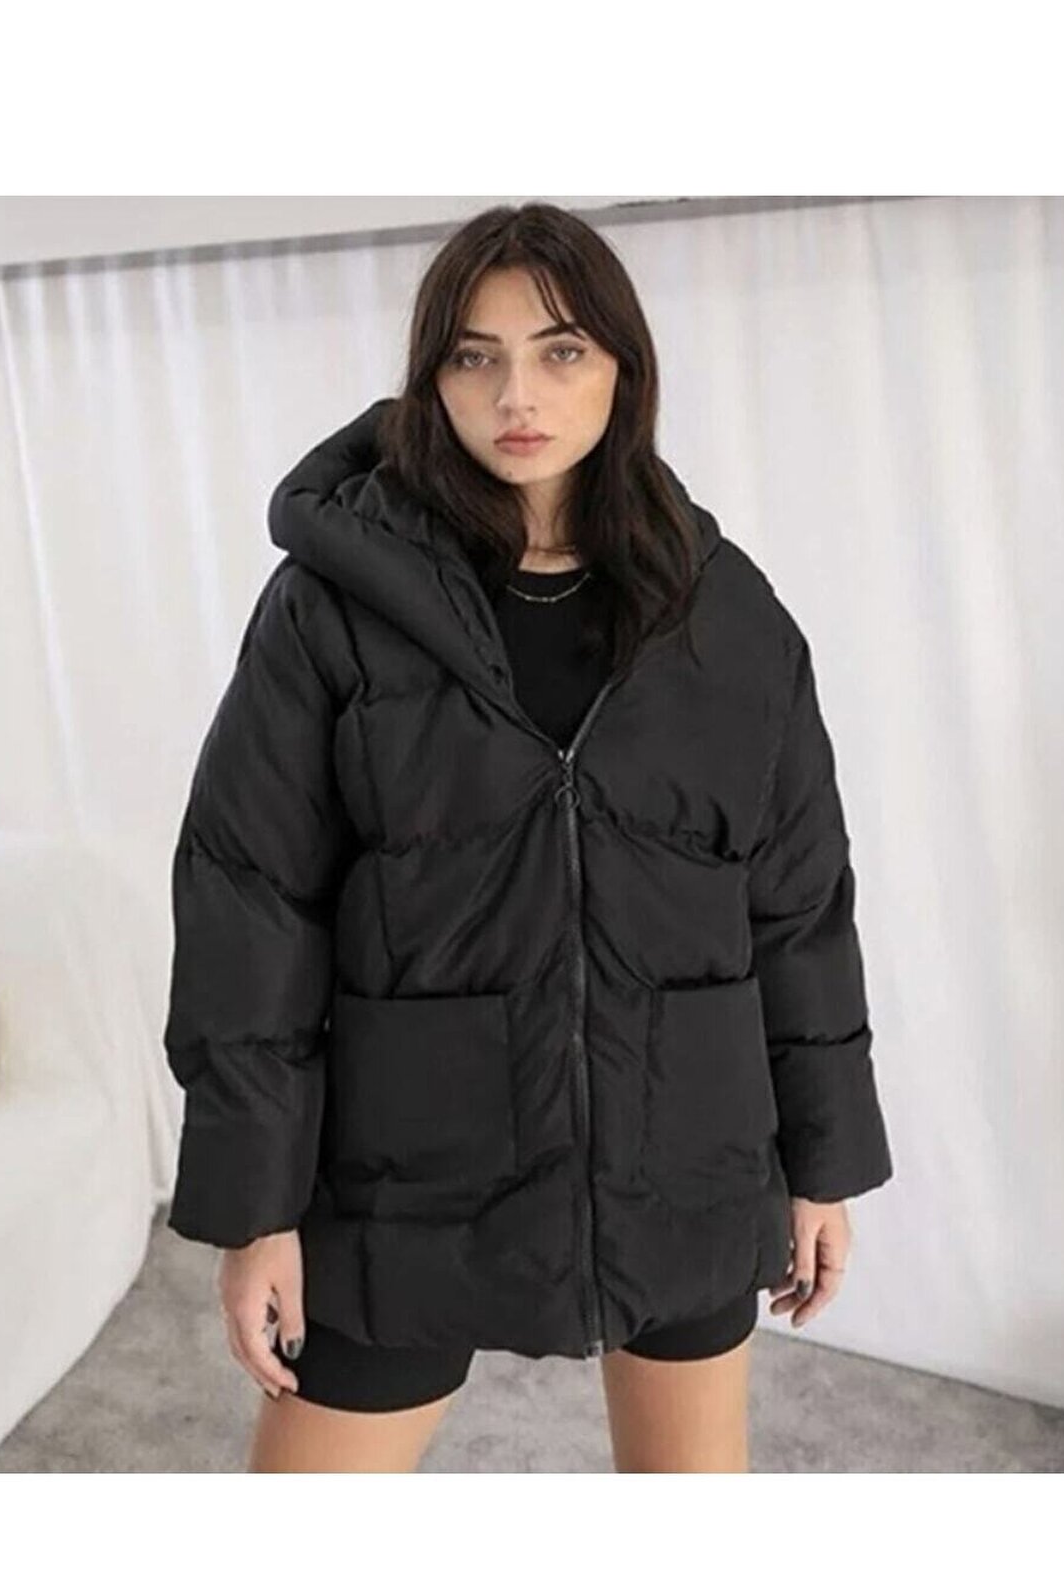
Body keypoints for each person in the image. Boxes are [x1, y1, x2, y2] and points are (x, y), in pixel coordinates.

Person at [162, 201, 893, 1472]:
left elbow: (798, 906)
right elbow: (252, 906)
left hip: (687, 1154)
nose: (517, 395)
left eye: (560, 351)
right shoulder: (332, 608)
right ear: (431, 376)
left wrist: (821, 1161)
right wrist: (255, 1210)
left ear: (622, 367)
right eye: (474, 355)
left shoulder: (729, 614)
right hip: (405, 1172)